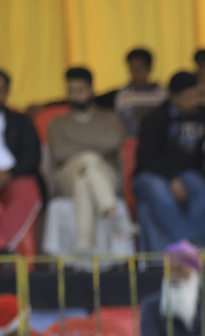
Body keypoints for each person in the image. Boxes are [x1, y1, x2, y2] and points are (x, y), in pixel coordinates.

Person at [48, 67, 133, 254]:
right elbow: (59, 153)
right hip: (67, 177)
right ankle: (114, 215)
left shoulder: (110, 118)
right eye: (71, 91)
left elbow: (113, 142)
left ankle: (83, 243)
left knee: (85, 178)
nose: (75, 96)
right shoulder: (57, 123)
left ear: (92, 90)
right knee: (88, 160)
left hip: (105, 175)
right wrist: (93, 151)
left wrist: (76, 148)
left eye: (80, 90)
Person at [134, 72, 205, 250]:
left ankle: (196, 244)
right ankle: (192, 244)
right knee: (160, 191)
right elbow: (147, 159)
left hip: (187, 173)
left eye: (198, 96)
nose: (195, 102)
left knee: (199, 186)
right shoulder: (154, 119)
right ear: (173, 98)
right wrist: (171, 179)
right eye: (188, 98)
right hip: (151, 175)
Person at [0, 69, 42, 252]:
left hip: (14, 175)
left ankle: (2, 245)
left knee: (28, 192)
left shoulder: (20, 121)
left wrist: (9, 174)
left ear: (7, 93)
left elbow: (32, 156)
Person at [98, 49, 169, 138]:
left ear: (149, 69)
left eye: (140, 68)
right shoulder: (119, 95)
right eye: (133, 68)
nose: (136, 72)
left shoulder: (164, 94)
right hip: (129, 143)